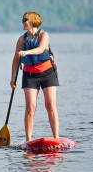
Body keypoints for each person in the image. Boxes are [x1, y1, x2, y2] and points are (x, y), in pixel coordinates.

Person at [10, 11, 59, 142]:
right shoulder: (21, 39)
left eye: (24, 19)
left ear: (31, 20)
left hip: (48, 73)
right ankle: (28, 139)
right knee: (30, 107)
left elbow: (41, 49)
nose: (22, 22)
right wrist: (12, 78)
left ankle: (56, 137)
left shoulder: (43, 35)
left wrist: (25, 52)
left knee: (50, 105)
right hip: (30, 75)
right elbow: (15, 60)